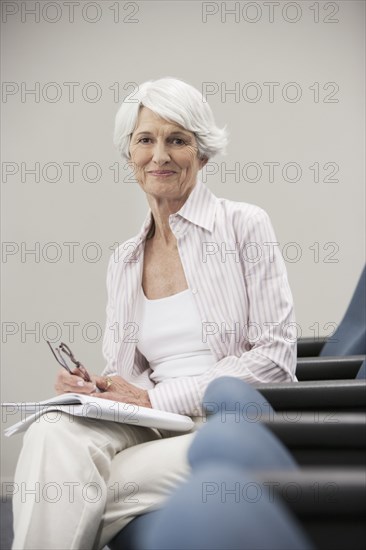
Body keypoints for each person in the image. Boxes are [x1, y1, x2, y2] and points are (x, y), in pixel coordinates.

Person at [12, 77, 297, 550]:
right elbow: (132, 373)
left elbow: (274, 360)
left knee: (67, 489)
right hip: (154, 424)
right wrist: (98, 387)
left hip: (225, 426)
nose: (159, 155)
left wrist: (155, 400)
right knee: (51, 431)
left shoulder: (245, 226)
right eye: (145, 139)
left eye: (177, 139)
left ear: (202, 153)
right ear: (129, 155)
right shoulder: (124, 259)